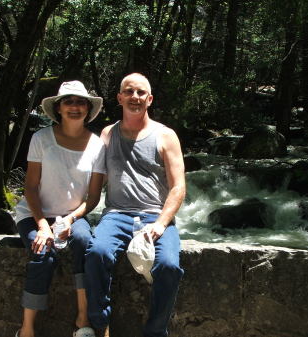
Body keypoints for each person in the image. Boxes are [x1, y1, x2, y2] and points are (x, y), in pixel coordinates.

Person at [85, 73, 186, 337]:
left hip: (155, 216)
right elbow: (95, 178)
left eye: (141, 93)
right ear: (119, 97)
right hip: (117, 214)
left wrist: (162, 223)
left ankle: (154, 332)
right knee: (96, 253)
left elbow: (178, 187)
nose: (135, 97)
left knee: (168, 267)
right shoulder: (108, 134)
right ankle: (101, 326)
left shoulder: (166, 136)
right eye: (129, 92)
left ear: (150, 99)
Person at [14, 80, 106, 337]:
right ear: (59, 108)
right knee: (42, 251)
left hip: (73, 215)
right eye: (69, 102)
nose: (74, 107)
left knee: (84, 241)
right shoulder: (41, 138)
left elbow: (94, 196)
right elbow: (30, 187)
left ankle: (83, 319)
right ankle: (27, 328)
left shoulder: (98, 145)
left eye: (80, 102)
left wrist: (70, 219)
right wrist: (43, 225)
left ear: (88, 108)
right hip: (35, 214)